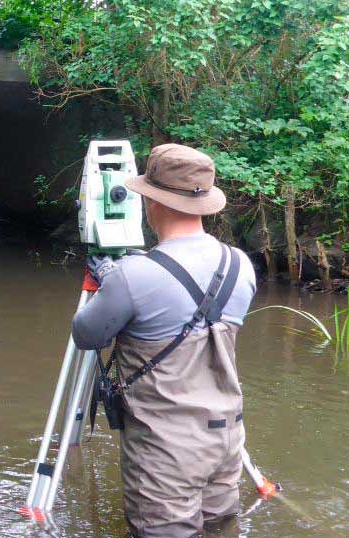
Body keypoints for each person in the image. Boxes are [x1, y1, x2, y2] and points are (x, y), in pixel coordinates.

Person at [71, 144, 257, 537]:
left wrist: (110, 283)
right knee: (221, 529)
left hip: (166, 450)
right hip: (226, 438)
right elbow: (184, 310)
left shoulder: (132, 276)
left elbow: (86, 334)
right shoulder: (241, 265)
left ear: (152, 203)